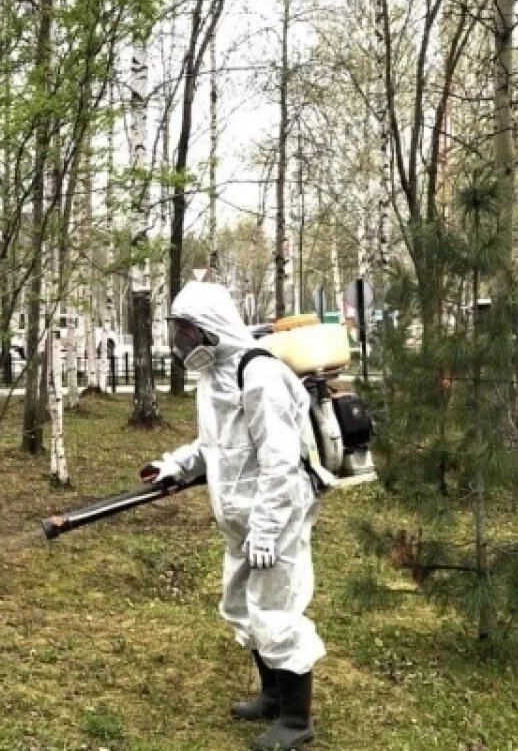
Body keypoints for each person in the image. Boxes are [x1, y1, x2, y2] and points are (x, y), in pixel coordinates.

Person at [141, 281, 323, 750]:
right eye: (177, 330)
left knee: (277, 612)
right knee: (245, 608)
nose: (180, 339)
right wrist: (174, 466)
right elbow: (214, 446)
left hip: (274, 518)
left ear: (211, 327)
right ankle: (271, 696)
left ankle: (296, 720)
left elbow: (280, 461)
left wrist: (266, 530)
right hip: (239, 518)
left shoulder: (259, 374)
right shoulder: (213, 377)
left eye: (186, 329)